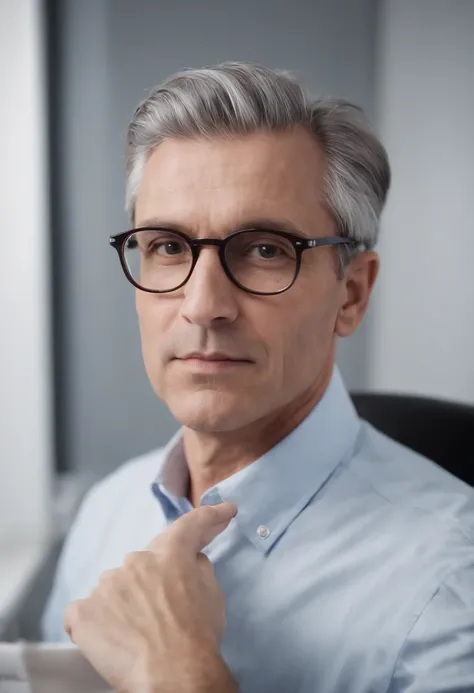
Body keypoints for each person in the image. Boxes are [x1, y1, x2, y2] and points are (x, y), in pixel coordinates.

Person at [42, 62, 474, 692]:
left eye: (266, 249)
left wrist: (181, 674)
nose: (202, 304)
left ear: (351, 295)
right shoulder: (106, 509)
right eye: (167, 247)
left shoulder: (452, 585)